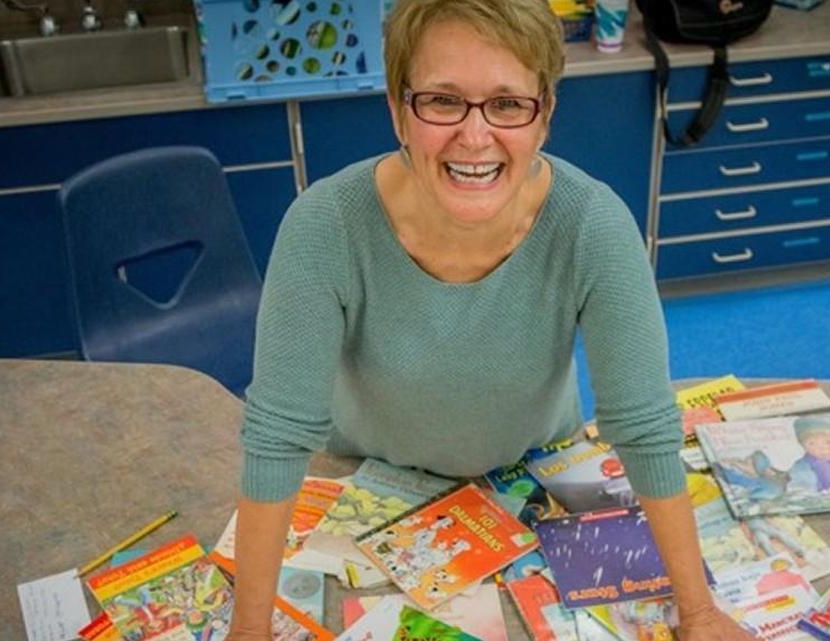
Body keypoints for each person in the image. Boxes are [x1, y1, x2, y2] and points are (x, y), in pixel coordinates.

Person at [226, 1, 752, 640]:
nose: (474, 138)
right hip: (365, 485)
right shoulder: (324, 224)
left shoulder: (593, 224)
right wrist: (248, 631)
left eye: (507, 104)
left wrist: (698, 613)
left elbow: (642, 424)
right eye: (442, 101)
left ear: (545, 115)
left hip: (531, 474)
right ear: (397, 109)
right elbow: (279, 435)